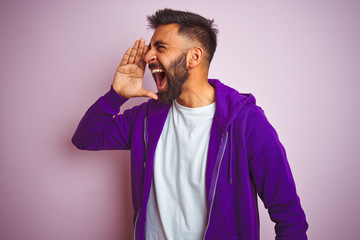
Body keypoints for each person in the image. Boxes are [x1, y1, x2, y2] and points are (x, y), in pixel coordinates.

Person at [72, 8, 308, 240]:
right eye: (150, 48)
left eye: (160, 47)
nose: (147, 56)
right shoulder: (145, 118)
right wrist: (117, 95)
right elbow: (86, 139)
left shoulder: (246, 122)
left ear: (194, 56)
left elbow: (289, 217)